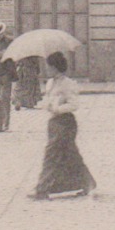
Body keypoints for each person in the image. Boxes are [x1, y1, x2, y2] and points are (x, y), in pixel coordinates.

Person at [27, 52, 96, 200]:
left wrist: (58, 109)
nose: (47, 70)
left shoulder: (68, 84)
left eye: (49, 67)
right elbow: (49, 100)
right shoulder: (50, 83)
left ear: (56, 67)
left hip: (66, 122)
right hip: (53, 122)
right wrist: (48, 105)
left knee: (51, 154)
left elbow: (74, 104)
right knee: (70, 154)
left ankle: (42, 188)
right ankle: (87, 182)